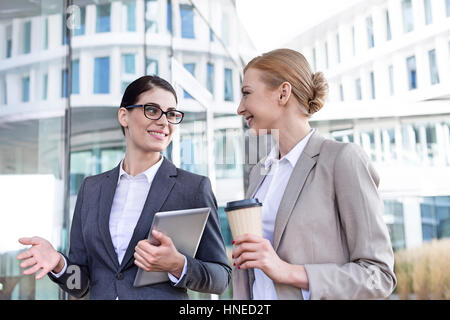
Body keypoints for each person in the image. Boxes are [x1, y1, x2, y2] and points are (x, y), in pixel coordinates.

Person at [17, 75, 231, 299]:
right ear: (124, 116)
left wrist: (178, 265)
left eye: (171, 114)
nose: (164, 122)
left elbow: (221, 278)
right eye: (152, 110)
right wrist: (59, 263)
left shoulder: (192, 188)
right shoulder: (91, 189)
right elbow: (81, 285)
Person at [232, 48, 397, 300]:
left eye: (246, 94)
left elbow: (378, 276)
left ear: (283, 93)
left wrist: (288, 271)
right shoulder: (260, 172)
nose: (240, 108)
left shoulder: (341, 159)